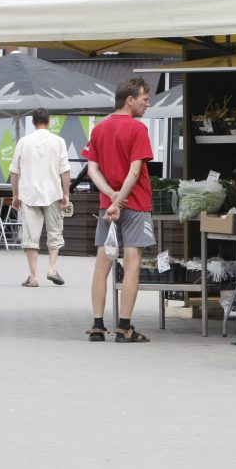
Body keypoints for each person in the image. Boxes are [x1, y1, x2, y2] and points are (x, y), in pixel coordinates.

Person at [82, 77, 155, 343]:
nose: (148, 104)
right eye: (145, 99)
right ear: (130, 100)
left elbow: (92, 170)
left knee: (102, 265)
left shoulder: (99, 129)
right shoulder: (137, 130)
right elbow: (135, 172)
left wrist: (110, 197)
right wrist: (120, 199)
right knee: (132, 264)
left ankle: (98, 326)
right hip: (135, 205)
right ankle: (124, 327)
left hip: (107, 207)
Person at [10, 108, 71, 287]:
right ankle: (52, 269)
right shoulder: (58, 141)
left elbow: (14, 171)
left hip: (29, 195)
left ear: (33, 122)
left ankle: (33, 277)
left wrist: (15, 195)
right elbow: (65, 170)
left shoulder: (23, 142)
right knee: (55, 232)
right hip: (53, 194)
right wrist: (65, 193)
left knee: (31, 237)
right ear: (49, 121)